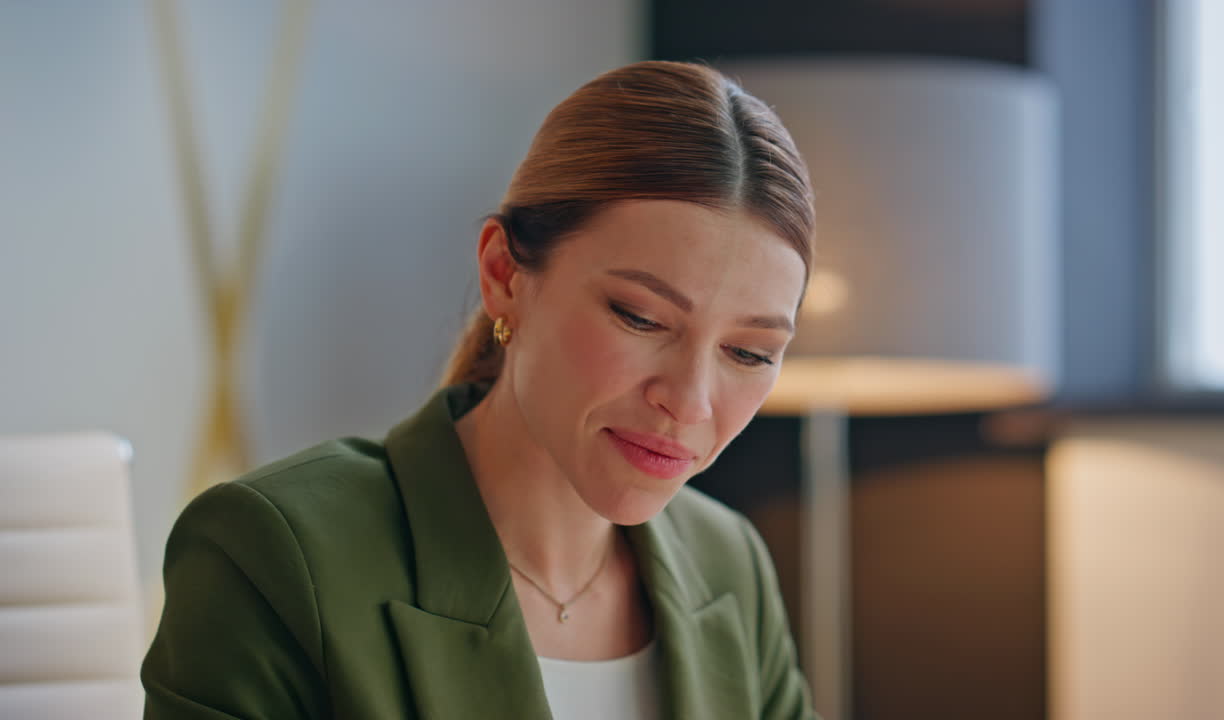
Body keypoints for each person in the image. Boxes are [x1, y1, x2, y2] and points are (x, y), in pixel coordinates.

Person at [142, 60, 818, 719]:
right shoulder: (272, 553)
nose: (691, 401)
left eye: (749, 352)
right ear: (503, 273)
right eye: (640, 317)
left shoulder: (728, 563)